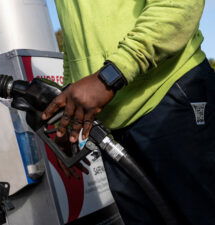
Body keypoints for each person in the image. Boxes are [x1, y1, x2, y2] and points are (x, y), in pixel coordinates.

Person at [42, 0, 215, 224]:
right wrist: (71, 111)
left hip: (170, 96)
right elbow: (75, 43)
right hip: (114, 126)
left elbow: (178, 5)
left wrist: (110, 77)